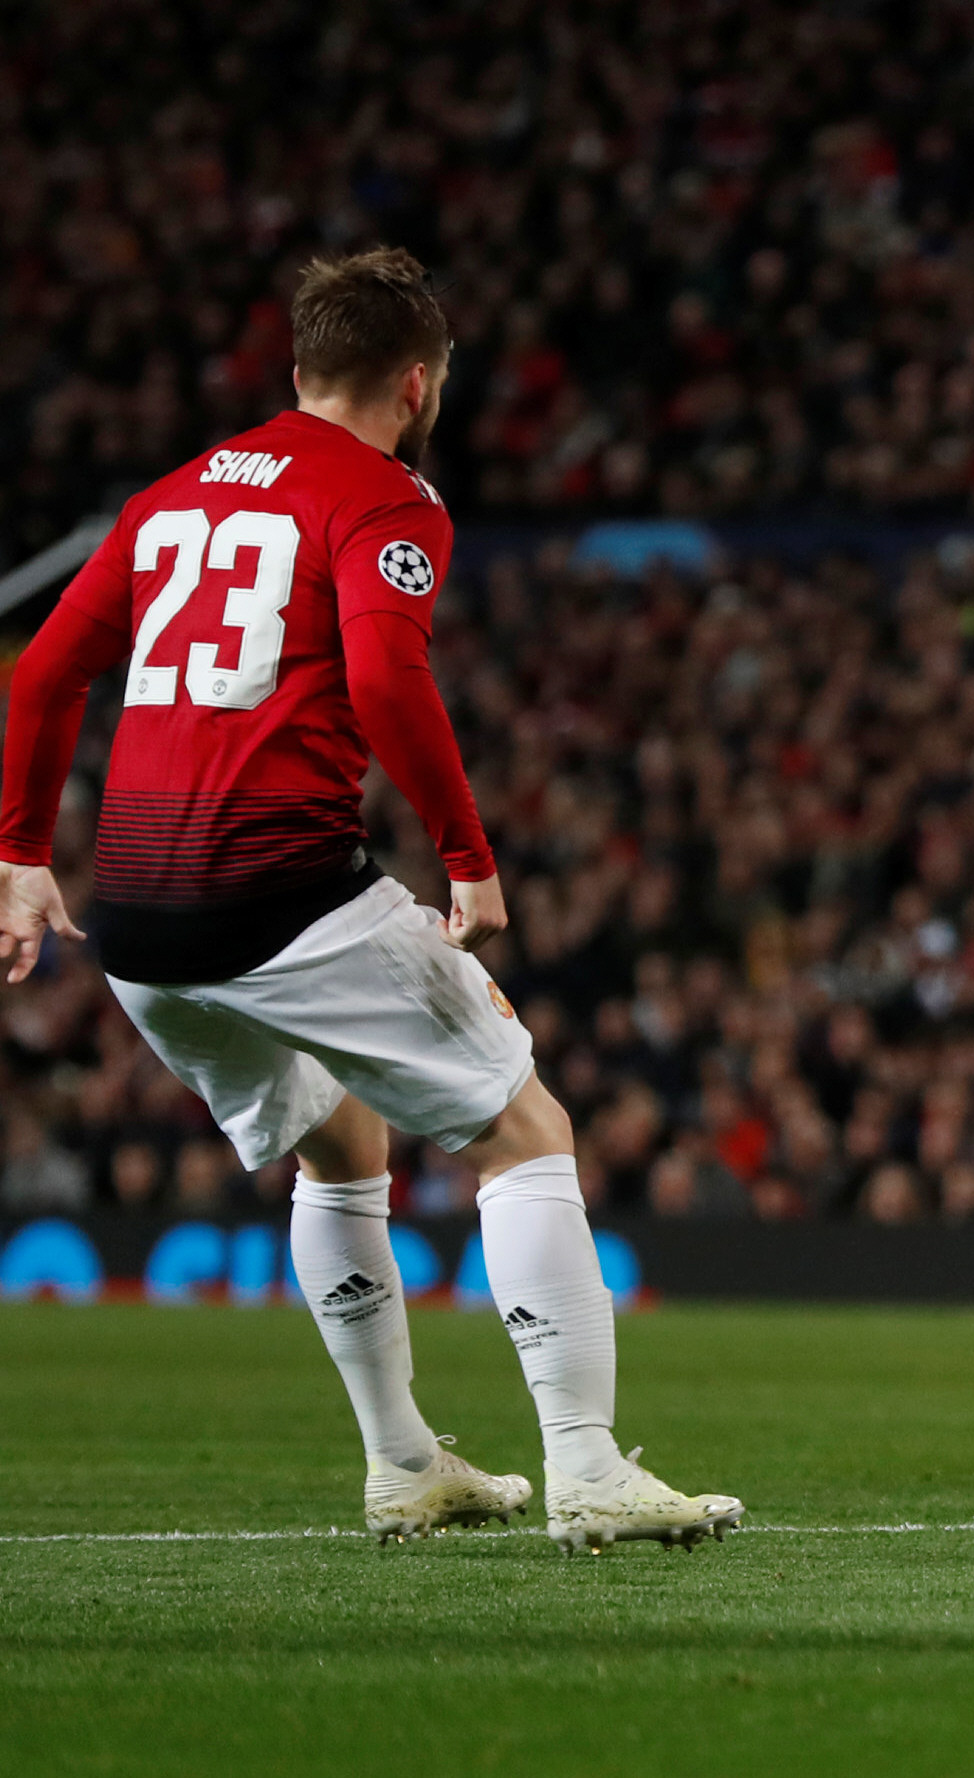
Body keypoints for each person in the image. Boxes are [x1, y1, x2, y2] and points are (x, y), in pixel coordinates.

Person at [0, 248, 738, 1552]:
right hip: (276, 891)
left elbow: (43, 671)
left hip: (136, 919)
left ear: (298, 369)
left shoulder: (170, 496)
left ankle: (405, 1464)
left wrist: (18, 852)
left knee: (341, 1145)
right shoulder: (386, 497)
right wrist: (467, 852)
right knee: (526, 1128)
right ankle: (588, 1468)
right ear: (418, 383)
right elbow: (389, 682)